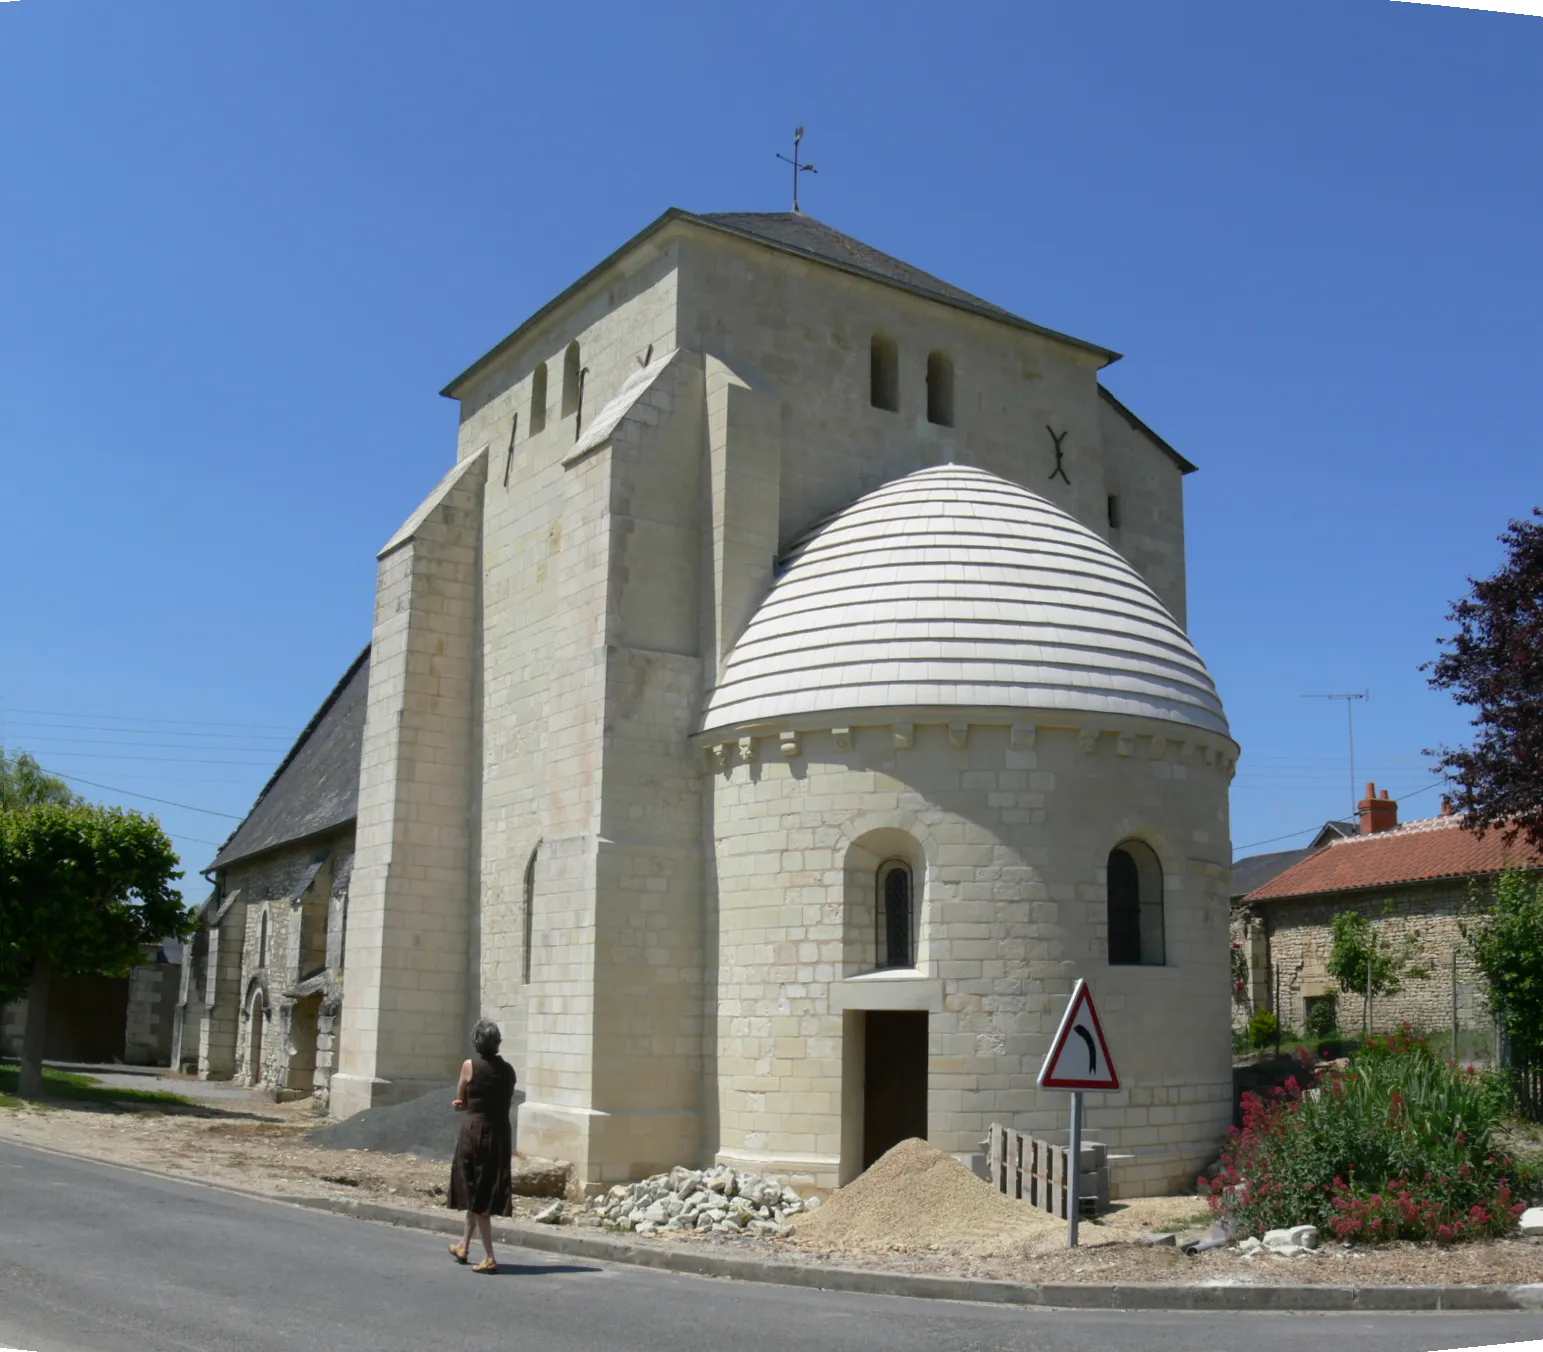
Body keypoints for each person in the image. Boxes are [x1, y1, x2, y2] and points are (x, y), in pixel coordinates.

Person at [447, 1019, 517, 1274]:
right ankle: (463, 1245)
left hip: (475, 1133)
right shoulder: (509, 1071)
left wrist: (461, 1103)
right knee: (481, 1189)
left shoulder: (469, 1066)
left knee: (478, 1195)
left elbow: (461, 1100)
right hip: (500, 1135)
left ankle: (489, 1256)